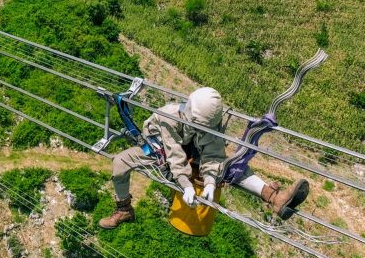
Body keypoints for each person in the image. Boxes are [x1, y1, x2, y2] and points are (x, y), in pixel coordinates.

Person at [99, 86, 310, 229]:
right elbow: (173, 154)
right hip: (159, 147)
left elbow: (213, 153)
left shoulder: (209, 122)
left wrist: (209, 181)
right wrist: (186, 185)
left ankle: (273, 197)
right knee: (120, 162)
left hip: (191, 146)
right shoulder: (169, 117)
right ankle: (124, 209)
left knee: (227, 166)